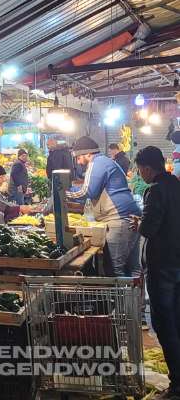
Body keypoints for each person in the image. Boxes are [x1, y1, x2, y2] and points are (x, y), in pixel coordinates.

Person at [134, 146, 180, 399]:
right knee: (177, 319)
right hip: (178, 262)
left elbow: (149, 229)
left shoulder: (155, 190)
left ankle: (177, 386)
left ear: (148, 168)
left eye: (140, 169)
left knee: (164, 324)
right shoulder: (176, 184)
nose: (140, 174)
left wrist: (139, 223)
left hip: (162, 266)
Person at [66, 136, 141, 278]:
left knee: (115, 269)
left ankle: (125, 300)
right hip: (130, 216)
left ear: (88, 154)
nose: (78, 161)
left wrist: (63, 192)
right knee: (132, 268)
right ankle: (134, 300)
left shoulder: (96, 163)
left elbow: (87, 191)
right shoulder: (105, 161)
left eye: (78, 157)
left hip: (118, 218)